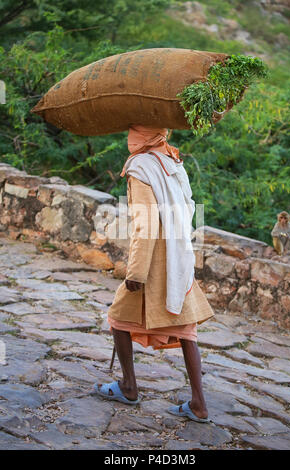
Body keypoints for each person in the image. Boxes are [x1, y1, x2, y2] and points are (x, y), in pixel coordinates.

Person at [93, 125, 214, 422]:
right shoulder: (172, 162)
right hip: (178, 257)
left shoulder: (140, 166)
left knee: (118, 319)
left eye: (133, 130)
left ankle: (129, 386)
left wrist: (136, 272)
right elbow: (187, 209)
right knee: (186, 330)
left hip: (153, 263)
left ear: (141, 135)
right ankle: (198, 403)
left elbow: (144, 224)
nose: (129, 136)